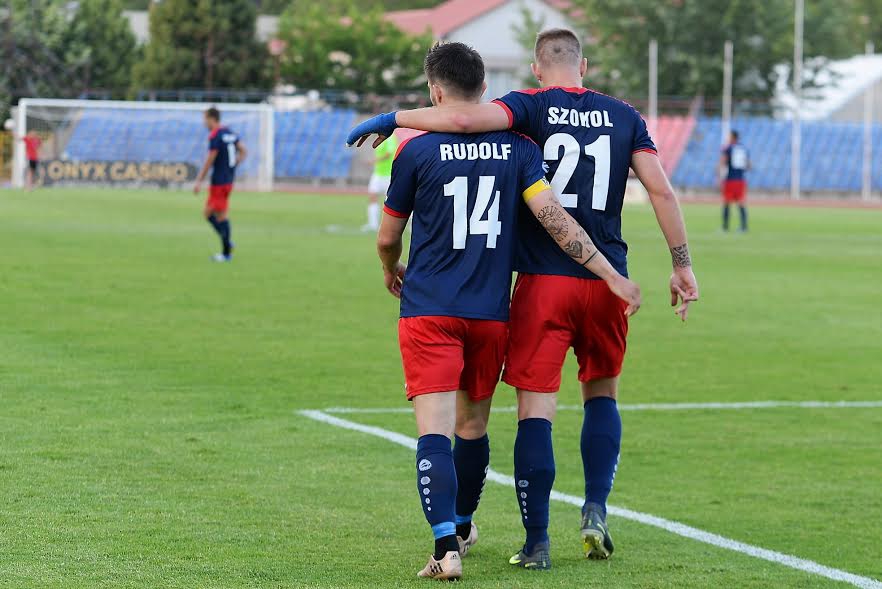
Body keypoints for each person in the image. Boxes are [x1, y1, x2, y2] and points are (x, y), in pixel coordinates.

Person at [349, 28, 698, 569]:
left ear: (536, 69)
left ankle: (526, 542)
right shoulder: (615, 117)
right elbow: (652, 192)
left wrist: (393, 119)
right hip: (583, 282)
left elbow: (459, 126)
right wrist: (669, 265)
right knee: (597, 395)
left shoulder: (524, 112)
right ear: (584, 65)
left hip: (530, 286)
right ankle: (594, 508)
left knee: (526, 412)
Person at [193, 107, 247, 262]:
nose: (204, 122)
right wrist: (233, 165)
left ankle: (226, 251)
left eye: (205, 119)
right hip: (228, 180)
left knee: (217, 215)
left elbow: (210, 160)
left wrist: (199, 180)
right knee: (212, 213)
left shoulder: (215, 135)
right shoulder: (229, 133)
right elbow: (244, 151)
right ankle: (227, 244)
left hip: (219, 181)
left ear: (212, 118)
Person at [363, 131, 399, 232]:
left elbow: (388, 153)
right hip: (378, 174)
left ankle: (409, 222)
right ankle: (373, 224)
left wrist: (374, 160)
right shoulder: (380, 139)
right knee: (372, 196)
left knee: (394, 201)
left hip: (388, 175)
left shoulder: (390, 138)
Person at [720, 129, 749, 232]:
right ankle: (744, 227)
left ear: (733, 137)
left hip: (731, 179)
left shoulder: (728, 148)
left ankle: (725, 227)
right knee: (741, 202)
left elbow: (723, 162)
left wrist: (718, 175)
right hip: (740, 179)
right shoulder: (744, 148)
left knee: (727, 202)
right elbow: (748, 165)